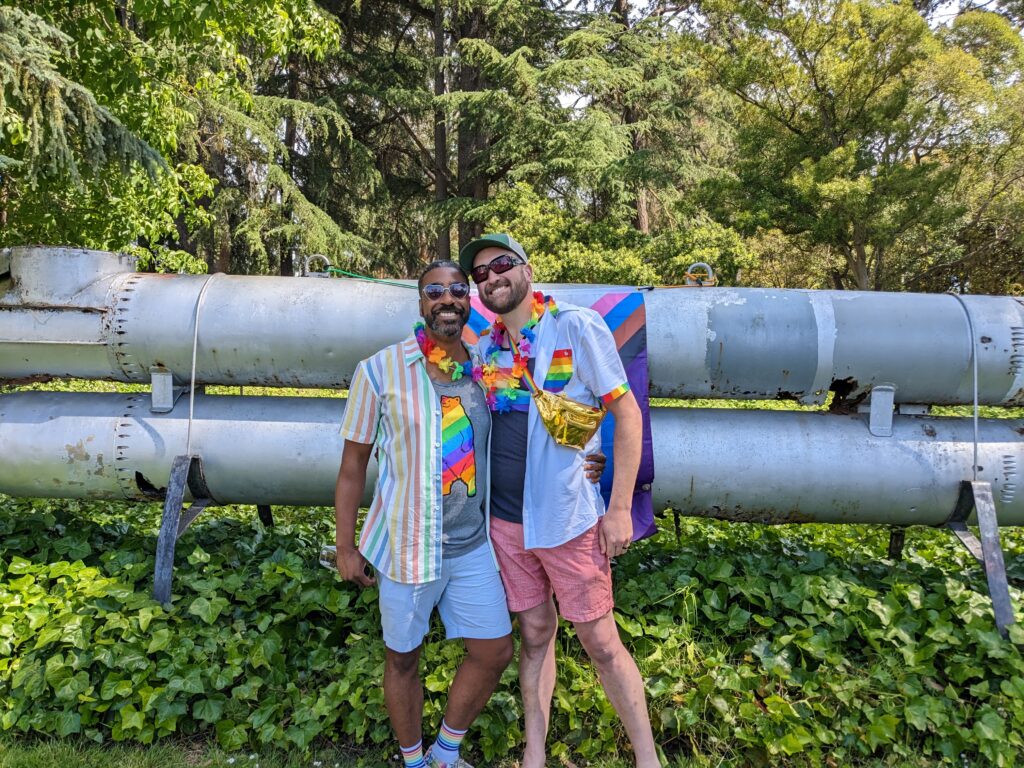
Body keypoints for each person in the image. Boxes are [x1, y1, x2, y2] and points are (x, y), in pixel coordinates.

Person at [333, 260, 605, 768]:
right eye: (434, 291)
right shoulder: (379, 370)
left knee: (495, 650)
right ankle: (413, 760)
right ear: (420, 303)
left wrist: (592, 452)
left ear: (468, 301)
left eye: (458, 289)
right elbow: (352, 468)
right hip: (408, 544)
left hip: (472, 544)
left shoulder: (488, 365)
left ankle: (445, 751)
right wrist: (345, 547)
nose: (448, 299)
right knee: (403, 657)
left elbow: (544, 416)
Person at [459, 233, 661, 768]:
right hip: (505, 523)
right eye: (480, 274)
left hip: (568, 518)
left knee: (600, 640)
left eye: (501, 264)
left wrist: (619, 507)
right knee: (535, 632)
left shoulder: (576, 325)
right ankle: (535, 752)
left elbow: (626, 413)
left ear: (526, 269)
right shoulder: (486, 348)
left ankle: (647, 757)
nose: (492, 277)